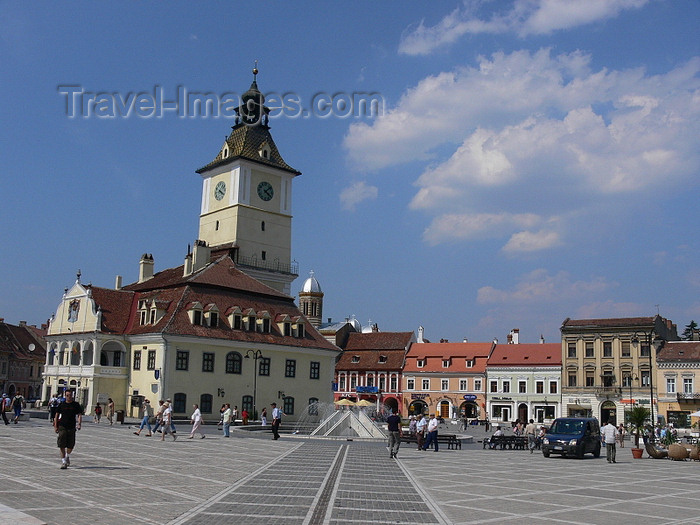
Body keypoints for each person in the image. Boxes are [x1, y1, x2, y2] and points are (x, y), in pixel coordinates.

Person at [54, 390, 83, 469]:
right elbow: (56, 415)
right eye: (67, 395)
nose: (69, 397)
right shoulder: (62, 404)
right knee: (61, 444)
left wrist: (79, 424)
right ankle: (63, 462)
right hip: (62, 426)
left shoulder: (75, 405)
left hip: (71, 427)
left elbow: (79, 415)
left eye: (70, 395)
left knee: (71, 445)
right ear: (65, 396)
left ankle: (67, 456)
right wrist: (55, 426)